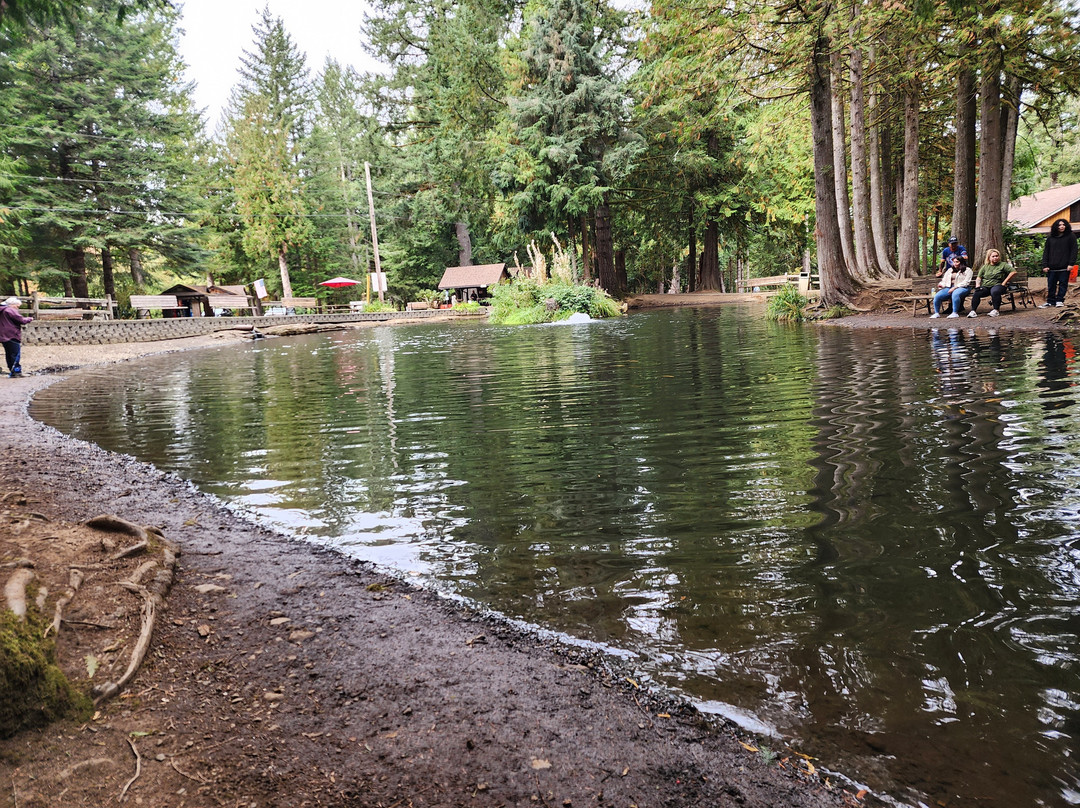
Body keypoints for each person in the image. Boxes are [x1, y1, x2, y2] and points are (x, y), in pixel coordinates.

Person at [1038, 218, 1078, 308]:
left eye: (1063, 225)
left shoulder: (1071, 236)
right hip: (1051, 267)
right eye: (1059, 225)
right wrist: (1045, 265)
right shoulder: (1050, 238)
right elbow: (1046, 252)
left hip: (1065, 266)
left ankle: (1060, 300)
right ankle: (1050, 301)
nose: (1062, 226)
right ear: (1056, 226)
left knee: (1063, 284)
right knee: (1051, 285)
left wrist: (1071, 264)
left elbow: (1074, 251)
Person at [967, 249, 1016, 318]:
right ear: (989, 258)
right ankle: (973, 311)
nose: (995, 257)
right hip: (986, 286)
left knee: (994, 291)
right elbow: (979, 278)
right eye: (993, 256)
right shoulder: (985, 267)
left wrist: (1004, 282)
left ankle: (996, 310)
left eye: (997, 256)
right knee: (977, 292)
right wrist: (977, 286)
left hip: (998, 285)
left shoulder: (1003, 265)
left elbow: (1013, 272)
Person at [0, 296, 33, 377]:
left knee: (9, 353)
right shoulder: (9, 310)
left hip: (3, 335)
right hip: (12, 334)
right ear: (12, 304)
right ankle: (17, 372)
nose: (17, 308)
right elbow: (21, 320)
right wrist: (30, 319)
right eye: (17, 306)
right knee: (15, 354)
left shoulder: (2, 310)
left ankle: (12, 370)